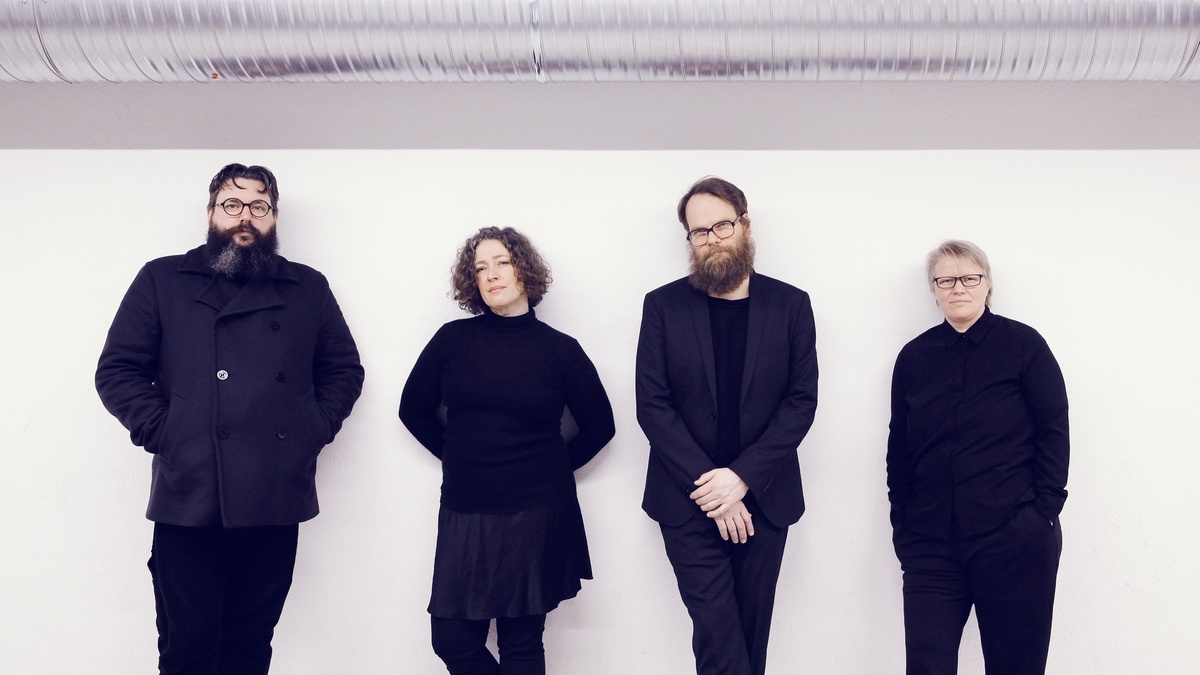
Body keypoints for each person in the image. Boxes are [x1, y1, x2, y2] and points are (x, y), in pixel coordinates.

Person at [95, 163, 364, 674]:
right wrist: (168, 431)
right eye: (233, 204)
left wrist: (310, 431)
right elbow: (118, 370)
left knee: (249, 647)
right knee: (188, 651)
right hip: (190, 495)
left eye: (258, 206)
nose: (246, 217)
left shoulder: (307, 287)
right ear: (212, 212)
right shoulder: (163, 278)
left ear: (274, 217)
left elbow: (343, 370)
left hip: (274, 494)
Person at [399, 226, 615, 675]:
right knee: (452, 639)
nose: (491, 274)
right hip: (465, 509)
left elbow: (601, 426)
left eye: (501, 262)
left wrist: (549, 470)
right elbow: (412, 410)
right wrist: (461, 458)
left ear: (524, 270)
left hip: (535, 512)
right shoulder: (452, 340)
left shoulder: (560, 350)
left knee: (520, 641)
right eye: (480, 267)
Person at [635, 176, 819, 675]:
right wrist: (713, 489)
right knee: (718, 633)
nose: (712, 238)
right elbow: (652, 406)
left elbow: (801, 403)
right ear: (689, 241)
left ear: (745, 225)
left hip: (765, 498)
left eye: (721, 225)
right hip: (686, 501)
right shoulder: (663, 306)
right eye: (699, 231)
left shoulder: (791, 305)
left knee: (748, 639)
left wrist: (739, 479)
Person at [887, 240, 1069, 674]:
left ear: (987, 285)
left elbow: (1054, 430)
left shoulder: (1025, 346)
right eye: (946, 280)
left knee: (1014, 667)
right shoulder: (914, 357)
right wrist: (904, 521)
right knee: (927, 666)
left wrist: (1041, 512)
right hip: (930, 545)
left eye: (970, 278)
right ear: (934, 289)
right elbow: (900, 447)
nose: (958, 288)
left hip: (1013, 540)